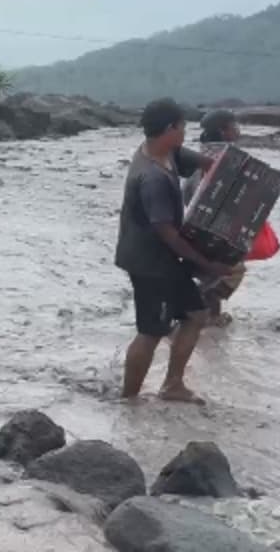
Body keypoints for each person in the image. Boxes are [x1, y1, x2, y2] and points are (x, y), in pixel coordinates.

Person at [116, 98, 226, 405]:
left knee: (196, 313)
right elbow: (168, 234)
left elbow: (207, 164)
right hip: (150, 262)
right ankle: (128, 401)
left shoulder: (166, 152)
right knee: (151, 330)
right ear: (170, 128)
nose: (186, 132)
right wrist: (207, 263)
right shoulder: (152, 177)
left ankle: (173, 384)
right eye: (183, 127)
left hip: (155, 256)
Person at [186, 109, 246, 328]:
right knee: (228, 272)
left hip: (198, 225)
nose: (238, 129)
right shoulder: (228, 159)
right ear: (224, 130)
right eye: (234, 125)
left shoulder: (202, 155)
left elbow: (188, 192)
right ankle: (199, 310)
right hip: (219, 228)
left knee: (213, 272)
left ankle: (211, 316)